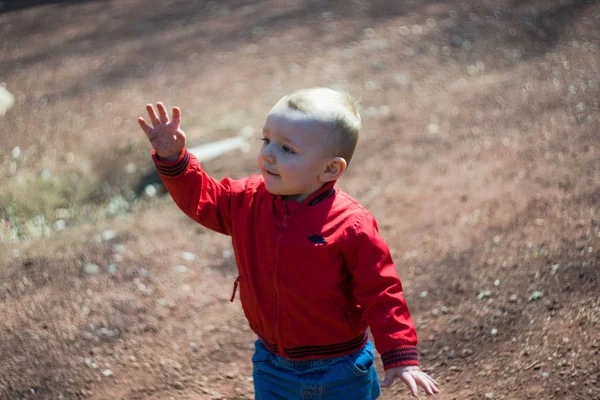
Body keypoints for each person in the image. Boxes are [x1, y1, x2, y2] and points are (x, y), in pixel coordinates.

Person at [137, 87, 439, 399]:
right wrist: (175, 160)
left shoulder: (351, 225)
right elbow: (203, 200)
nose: (268, 154)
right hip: (272, 364)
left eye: (287, 149)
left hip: (341, 368)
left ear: (329, 169)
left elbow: (382, 293)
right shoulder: (247, 201)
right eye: (266, 140)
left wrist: (400, 355)